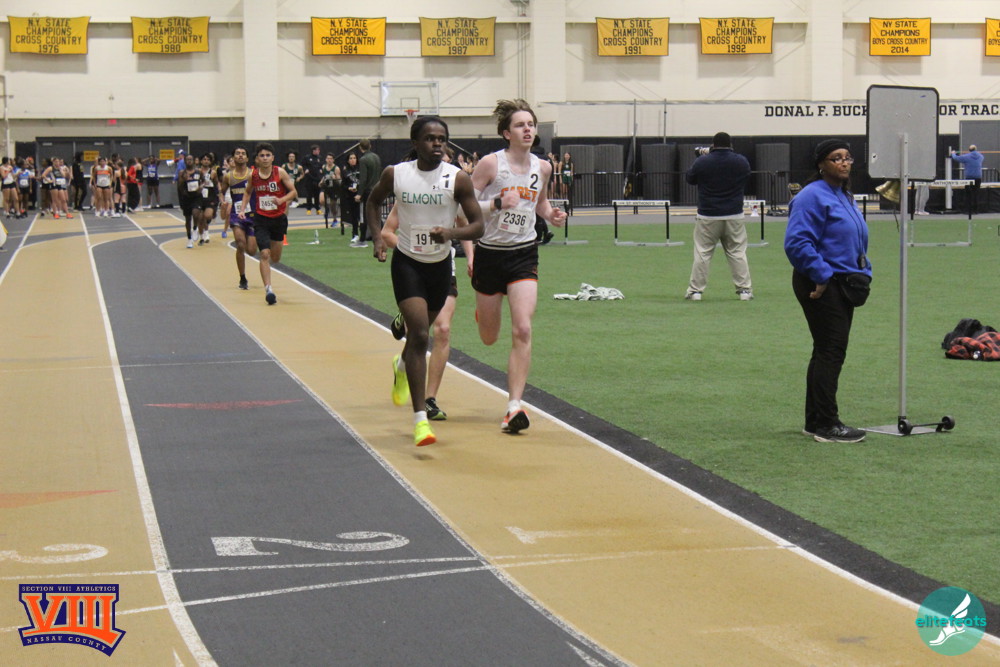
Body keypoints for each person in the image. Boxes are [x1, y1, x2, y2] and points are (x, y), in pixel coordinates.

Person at [366, 116, 484, 447]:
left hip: (440, 267)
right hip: (408, 263)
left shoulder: (457, 178)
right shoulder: (396, 174)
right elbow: (373, 202)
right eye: (430, 138)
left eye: (442, 138)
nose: (437, 143)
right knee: (419, 334)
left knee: (421, 335)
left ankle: (402, 364)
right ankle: (420, 421)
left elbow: (478, 225)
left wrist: (451, 233)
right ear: (415, 142)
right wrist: (377, 238)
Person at [468, 98, 566, 433]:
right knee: (489, 337)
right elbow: (463, 207)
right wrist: (496, 203)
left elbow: (540, 203)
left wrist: (551, 215)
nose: (527, 129)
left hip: (524, 254)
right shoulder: (490, 165)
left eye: (531, 124)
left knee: (523, 328)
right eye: (520, 125)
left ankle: (514, 406)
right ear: (506, 133)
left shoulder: (543, 167)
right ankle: (484, 312)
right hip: (489, 254)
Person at [784, 139, 871, 444]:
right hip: (821, 283)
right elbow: (797, 242)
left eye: (848, 157)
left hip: (844, 281)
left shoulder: (843, 195)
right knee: (831, 351)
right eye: (836, 158)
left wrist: (865, 268)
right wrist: (820, 275)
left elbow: (855, 238)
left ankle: (814, 421)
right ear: (821, 164)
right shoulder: (811, 196)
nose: (844, 162)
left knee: (825, 350)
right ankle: (827, 425)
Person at [386, 147, 474, 421]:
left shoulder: (452, 192)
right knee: (420, 334)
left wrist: (471, 257)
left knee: (443, 330)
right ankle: (405, 363)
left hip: (443, 267)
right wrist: (408, 248)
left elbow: (466, 226)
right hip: (413, 266)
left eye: (446, 161)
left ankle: (429, 398)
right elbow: (387, 232)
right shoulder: (409, 195)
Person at [684, 131, 753, 301]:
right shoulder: (741, 161)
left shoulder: (703, 161)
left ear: (713, 145)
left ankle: (695, 291)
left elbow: (690, 178)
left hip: (708, 215)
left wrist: (701, 157)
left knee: (703, 253)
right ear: (731, 145)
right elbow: (746, 177)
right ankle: (744, 290)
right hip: (734, 214)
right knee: (737, 253)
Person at [239, 142, 297, 305]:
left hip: (278, 219)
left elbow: (293, 192)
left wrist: (282, 200)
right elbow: (247, 192)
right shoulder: (254, 176)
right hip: (261, 219)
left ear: (273, 158)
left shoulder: (280, 172)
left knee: (275, 258)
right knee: (264, 254)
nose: (265, 158)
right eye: (262, 156)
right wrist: (242, 209)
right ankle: (268, 289)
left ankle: (269, 281)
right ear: (257, 159)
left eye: (267, 155)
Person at [220, 146, 256, 290]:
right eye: (237, 153)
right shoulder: (228, 176)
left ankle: (250, 238)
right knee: (240, 244)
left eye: (243, 154)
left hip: (252, 214)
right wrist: (222, 202)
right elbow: (221, 191)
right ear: (233, 158)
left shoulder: (253, 174)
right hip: (236, 215)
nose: (240, 156)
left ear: (247, 158)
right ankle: (242, 277)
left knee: (252, 250)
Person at [356, 138, 381, 243]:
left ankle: (362, 237)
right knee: (377, 213)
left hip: (368, 191)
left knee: (364, 215)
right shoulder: (376, 157)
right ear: (370, 146)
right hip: (377, 189)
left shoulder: (363, 160)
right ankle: (378, 235)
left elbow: (363, 179)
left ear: (360, 148)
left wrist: (359, 194)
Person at [949, 145, 984, 214]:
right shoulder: (981, 156)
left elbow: (956, 158)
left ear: (969, 150)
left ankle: (968, 210)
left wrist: (953, 153)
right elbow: (980, 157)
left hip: (969, 178)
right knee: (976, 194)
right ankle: (975, 210)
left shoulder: (966, 157)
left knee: (969, 194)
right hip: (978, 177)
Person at [177, 158, 202, 248]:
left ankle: (195, 228)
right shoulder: (182, 173)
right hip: (186, 198)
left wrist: (201, 187)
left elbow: (203, 181)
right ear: (185, 162)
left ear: (194, 161)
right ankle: (189, 238)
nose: (189, 161)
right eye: (187, 160)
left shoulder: (198, 172)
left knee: (195, 213)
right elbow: (179, 186)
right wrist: (183, 179)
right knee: (188, 219)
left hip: (196, 197)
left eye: (191, 159)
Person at [341, 153, 362, 245]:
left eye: (354, 158)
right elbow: (343, 185)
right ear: (348, 160)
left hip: (361, 195)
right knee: (354, 216)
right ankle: (355, 234)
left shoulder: (360, 169)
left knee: (362, 216)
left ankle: (365, 234)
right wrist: (349, 188)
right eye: (351, 158)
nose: (353, 160)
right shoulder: (346, 171)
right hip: (351, 196)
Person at [319, 152, 341, 228]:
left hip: (333, 187)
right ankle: (327, 209)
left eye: (331, 159)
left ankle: (335, 219)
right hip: (326, 186)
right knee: (321, 200)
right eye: (328, 158)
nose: (329, 160)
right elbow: (324, 176)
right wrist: (321, 181)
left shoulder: (336, 168)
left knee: (333, 205)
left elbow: (339, 180)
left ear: (333, 160)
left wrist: (335, 178)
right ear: (326, 159)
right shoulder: (324, 167)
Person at [301, 144, 324, 214]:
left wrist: (321, 170)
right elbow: (303, 164)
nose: (318, 151)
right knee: (309, 195)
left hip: (317, 179)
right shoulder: (307, 157)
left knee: (317, 194)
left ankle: (318, 209)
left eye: (319, 150)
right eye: (316, 150)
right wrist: (305, 169)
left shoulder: (320, 158)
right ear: (313, 151)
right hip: (309, 179)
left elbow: (322, 165)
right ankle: (309, 209)